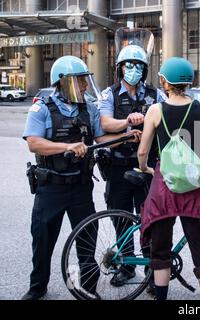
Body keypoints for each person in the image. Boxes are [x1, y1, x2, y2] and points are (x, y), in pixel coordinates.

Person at [22, 56, 140, 300]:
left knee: (87, 239)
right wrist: (65, 147)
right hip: (51, 187)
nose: (85, 86)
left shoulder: (90, 107)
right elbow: (33, 143)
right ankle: (38, 287)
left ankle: (88, 287)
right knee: (43, 240)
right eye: (80, 82)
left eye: (86, 81)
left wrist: (125, 138)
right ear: (62, 83)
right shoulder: (42, 107)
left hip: (81, 186)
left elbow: (100, 139)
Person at [137, 57, 200, 300]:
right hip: (193, 184)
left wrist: (146, 168)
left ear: (165, 82)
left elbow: (142, 151)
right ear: (189, 82)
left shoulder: (155, 110)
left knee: (160, 251)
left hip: (163, 186)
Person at [98, 44, 165, 287]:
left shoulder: (156, 95)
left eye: (138, 66)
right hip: (118, 167)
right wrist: (127, 122)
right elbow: (105, 122)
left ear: (145, 70)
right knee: (121, 218)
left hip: (147, 167)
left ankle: (151, 269)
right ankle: (126, 267)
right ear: (120, 68)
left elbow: (167, 117)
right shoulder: (109, 94)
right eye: (129, 65)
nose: (133, 70)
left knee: (150, 218)